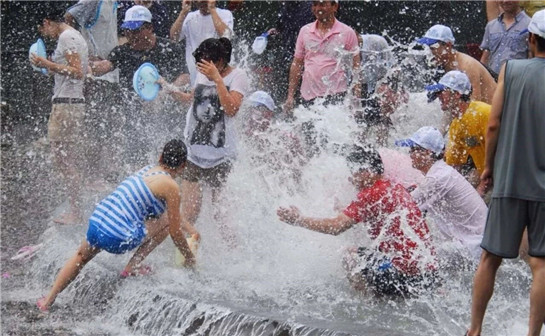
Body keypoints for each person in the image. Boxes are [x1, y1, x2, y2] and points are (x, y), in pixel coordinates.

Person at [36, 140, 200, 312]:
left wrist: (192, 231)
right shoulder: (172, 186)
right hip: (117, 237)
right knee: (167, 223)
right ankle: (132, 266)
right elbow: (174, 230)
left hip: (97, 224)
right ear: (183, 166)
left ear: (160, 156)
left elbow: (169, 213)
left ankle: (47, 301)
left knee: (80, 257)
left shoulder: (147, 170)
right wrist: (189, 258)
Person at [467, 10, 545, 336]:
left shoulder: (510, 70)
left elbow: (494, 123)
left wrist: (488, 168)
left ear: (530, 39)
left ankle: (475, 329)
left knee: (490, 259)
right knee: (541, 264)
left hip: (510, 180)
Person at [277, 145, 438, 296]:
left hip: (408, 276)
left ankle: (368, 306)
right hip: (427, 272)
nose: (351, 179)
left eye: (354, 172)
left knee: (350, 257)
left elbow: (336, 227)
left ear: (367, 171)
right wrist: (344, 211)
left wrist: (299, 220)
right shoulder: (391, 187)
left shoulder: (372, 193)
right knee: (357, 252)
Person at [161, 38, 249, 245]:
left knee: (222, 215)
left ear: (219, 61)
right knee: (190, 212)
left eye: (204, 62)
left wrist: (217, 79)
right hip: (194, 153)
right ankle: (184, 253)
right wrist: (168, 89)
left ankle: (233, 253)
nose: (200, 66)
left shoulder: (238, 76)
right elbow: (191, 99)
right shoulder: (202, 73)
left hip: (221, 156)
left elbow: (232, 109)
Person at [90, 5, 187, 168]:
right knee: (134, 161)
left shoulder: (169, 48)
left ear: (150, 28)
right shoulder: (122, 51)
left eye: (135, 31)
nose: (130, 35)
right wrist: (88, 67)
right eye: (127, 31)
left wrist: (164, 92)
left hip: (165, 115)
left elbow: (185, 76)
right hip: (133, 118)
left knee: (166, 162)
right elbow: (104, 67)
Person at [30, 8, 89, 225]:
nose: (44, 34)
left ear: (47, 22)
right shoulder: (74, 35)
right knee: (66, 159)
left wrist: (46, 64)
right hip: (71, 104)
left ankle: (76, 212)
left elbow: (76, 71)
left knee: (64, 161)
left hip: (66, 106)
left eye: (42, 29)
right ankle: (76, 208)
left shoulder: (66, 37)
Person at [396, 127, 487, 260]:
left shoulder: (437, 178)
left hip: (475, 245)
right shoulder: (441, 172)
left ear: (427, 153)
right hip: (477, 242)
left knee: (423, 260)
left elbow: (404, 207)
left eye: (413, 150)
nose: (410, 154)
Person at [65, 0, 122, 183]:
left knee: (107, 126)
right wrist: (82, 53)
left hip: (110, 73)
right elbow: (68, 18)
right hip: (95, 76)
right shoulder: (92, 1)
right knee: (95, 126)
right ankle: (92, 176)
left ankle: (100, 173)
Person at [284, 0, 360, 111]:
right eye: (315, 4)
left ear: (335, 6)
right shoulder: (305, 31)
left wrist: (356, 98)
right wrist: (290, 96)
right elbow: (297, 64)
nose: (318, 8)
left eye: (323, 4)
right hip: (308, 96)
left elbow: (356, 67)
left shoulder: (347, 32)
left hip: (336, 96)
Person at [426, 70, 491, 187]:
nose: (438, 96)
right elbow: (453, 166)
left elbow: (502, 151)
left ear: (457, 94)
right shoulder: (456, 125)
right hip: (488, 179)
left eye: (442, 92)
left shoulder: (483, 113)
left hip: (505, 178)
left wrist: (482, 188)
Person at [417, 24, 497, 104]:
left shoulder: (467, 66)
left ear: (448, 45)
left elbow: (475, 105)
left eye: (432, 48)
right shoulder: (444, 65)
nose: (428, 53)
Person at [356, 34, 408, 146]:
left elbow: (394, 69)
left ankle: (383, 149)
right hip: (363, 87)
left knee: (383, 120)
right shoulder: (341, 47)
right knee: (360, 123)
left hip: (382, 84)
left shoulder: (376, 42)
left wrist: (392, 88)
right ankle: (360, 150)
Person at [170, 0, 234, 86]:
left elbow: (226, 36)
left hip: (220, 76)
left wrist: (212, 10)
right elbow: (174, 38)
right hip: (196, 78)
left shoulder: (225, 14)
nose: (201, 2)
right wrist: (183, 13)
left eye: (204, 1)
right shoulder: (189, 17)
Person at [481, 0, 531, 74]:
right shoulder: (491, 26)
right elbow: (485, 57)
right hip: (492, 80)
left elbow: (532, 57)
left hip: (517, 79)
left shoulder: (530, 25)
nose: (505, 1)